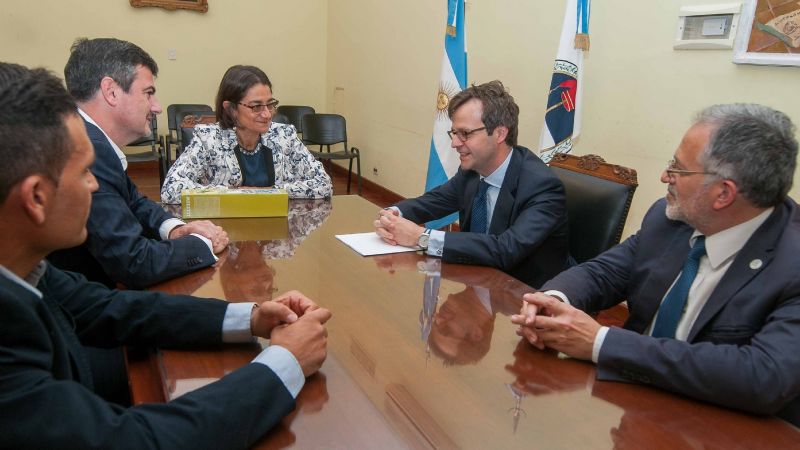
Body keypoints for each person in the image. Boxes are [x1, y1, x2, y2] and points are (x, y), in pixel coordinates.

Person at [0, 62, 332, 449]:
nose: (95, 185)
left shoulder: (28, 270)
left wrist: (253, 316)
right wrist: (285, 363)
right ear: (36, 197)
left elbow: (111, 308)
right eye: (85, 172)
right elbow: (135, 442)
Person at [512, 103, 800, 425]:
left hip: (718, 428)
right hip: (630, 409)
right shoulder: (669, 219)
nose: (664, 176)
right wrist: (552, 301)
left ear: (723, 193)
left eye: (677, 168)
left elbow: (764, 376)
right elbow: (603, 272)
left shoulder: (792, 260)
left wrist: (601, 343)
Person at [47, 37, 229, 290]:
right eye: (149, 93)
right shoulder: (87, 149)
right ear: (111, 91)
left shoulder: (90, 137)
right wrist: (203, 244)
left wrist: (174, 229)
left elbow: (133, 200)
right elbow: (134, 262)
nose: (157, 107)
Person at [374, 80, 570, 288]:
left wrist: (422, 238)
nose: (455, 143)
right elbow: (435, 201)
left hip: (528, 294)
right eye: (454, 133)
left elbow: (505, 249)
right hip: (480, 280)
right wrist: (393, 215)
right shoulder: (473, 171)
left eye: (465, 134)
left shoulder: (542, 186)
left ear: (500, 133)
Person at [160, 65, 332, 204]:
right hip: (226, 232)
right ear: (231, 108)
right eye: (256, 106)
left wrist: (268, 192)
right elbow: (171, 189)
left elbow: (323, 184)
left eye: (270, 104)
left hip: (276, 233)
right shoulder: (208, 139)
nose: (267, 114)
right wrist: (241, 194)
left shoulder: (284, 135)